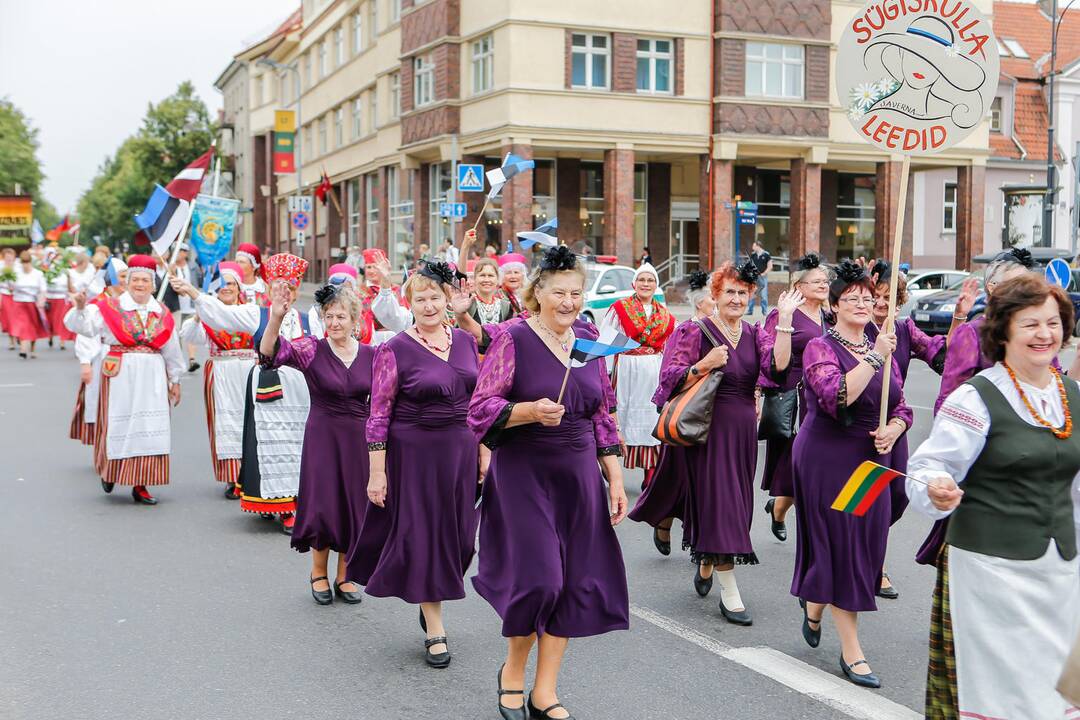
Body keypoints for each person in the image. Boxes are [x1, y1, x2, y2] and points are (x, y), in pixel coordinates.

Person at [907, 274, 1080, 718]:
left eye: (1053, 322)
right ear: (1003, 331)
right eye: (1031, 324)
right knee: (1009, 697)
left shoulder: (1073, 396)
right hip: (991, 576)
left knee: (1060, 696)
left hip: (1061, 573)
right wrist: (938, 489)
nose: (1045, 334)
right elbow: (928, 467)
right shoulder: (977, 397)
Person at [468, 245, 628, 720]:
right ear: (537, 293)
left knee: (574, 584)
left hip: (579, 476)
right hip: (524, 474)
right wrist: (528, 411)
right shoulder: (513, 338)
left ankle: (545, 690)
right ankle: (512, 671)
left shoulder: (588, 338)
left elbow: (603, 412)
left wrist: (614, 478)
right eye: (558, 292)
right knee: (539, 581)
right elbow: (478, 410)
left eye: (576, 293)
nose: (568, 302)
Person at [347, 259, 480, 668]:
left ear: (446, 299)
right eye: (419, 298)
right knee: (427, 536)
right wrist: (376, 472)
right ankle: (435, 625)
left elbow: (479, 402)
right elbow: (379, 414)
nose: (427, 305)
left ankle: (430, 593)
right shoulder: (393, 348)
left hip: (461, 452)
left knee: (460, 540)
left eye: (434, 297)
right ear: (410, 302)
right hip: (414, 455)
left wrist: (486, 452)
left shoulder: (465, 342)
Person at [792, 260, 911, 689]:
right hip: (828, 458)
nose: (863, 304)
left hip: (871, 459)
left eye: (868, 298)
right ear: (836, 305)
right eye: (853, 298)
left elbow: (901, 406)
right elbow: (835, 396)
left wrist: (893, 429)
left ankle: (816, 602)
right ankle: (852, 650)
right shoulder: (821, 348)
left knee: (866, 544)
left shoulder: (881, 343)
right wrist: (875, 360)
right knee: (844, 543)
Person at [645, 262, 767, 625]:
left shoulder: (753, 333)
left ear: (751, 297)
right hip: (707, 431)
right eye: (729, 291)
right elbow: (669, 379)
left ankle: (706, 561)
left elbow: (773, 374)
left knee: (739, 506)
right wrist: (705, 364)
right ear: (714, 295)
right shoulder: (694, 331)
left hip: (743, 432)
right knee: (722, 503)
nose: (736, 298)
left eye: (742, 293)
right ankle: (730, 591)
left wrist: (759, 391)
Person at [173, 253, 313, 534]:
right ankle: (284, 506)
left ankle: (298, 500)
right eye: (279, 286)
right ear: (269, 288)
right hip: (269, 389)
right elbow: (222, 314)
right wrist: (194, 293)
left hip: (302, 391)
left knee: (301, 447)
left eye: (291, 287)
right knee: (273, 444)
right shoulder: (256, 314)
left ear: (297, 291)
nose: (285, 292)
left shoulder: (311, 319)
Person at [260, 280, 375, 606]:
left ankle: (346, 574)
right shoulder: (312, 349)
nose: (334, 323)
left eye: (341, 317)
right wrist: (276, 318)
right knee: (325, 503)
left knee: (355, 503)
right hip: (323, 435)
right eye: (329, 317)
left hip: (358, 438)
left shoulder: (372, 354)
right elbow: (269, 355)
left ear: (355, 320)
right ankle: (318, 571)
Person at [64, 255, 184, 505]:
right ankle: (111, 471)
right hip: (120, 374)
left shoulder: (161, 312)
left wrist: (175, 379)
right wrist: (79, 307)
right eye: (135, 279)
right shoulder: (108, 308)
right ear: (127, 282)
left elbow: (172, 348)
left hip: (152, 375)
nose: (140, 284)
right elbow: (83, 328)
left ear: (153, 284)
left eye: (145, 280)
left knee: (148, 429)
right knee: (119, 424)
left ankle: (141, 484)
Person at [629, 269, 714, 556]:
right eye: (715, 298)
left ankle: (701, 543)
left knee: (707, 483)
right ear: (700, 303)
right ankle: (663, 520)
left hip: (717, 417)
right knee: (673, 477)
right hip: (686, 415)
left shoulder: (731, 328)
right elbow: (669, 374)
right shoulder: (687, 330)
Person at [758, 252, 830, 541]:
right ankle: (796, 516)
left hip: (821, 395)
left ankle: (779, 508)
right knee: (796, 462)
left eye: (826, 281)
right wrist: (758, 395)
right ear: (799, 286)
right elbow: (768, 357)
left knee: (808, 463)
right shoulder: (783, 314)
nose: (824, 285)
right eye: (817, 281)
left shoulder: (829, 315)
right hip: (792, 395)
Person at [178, 262, 255, 500]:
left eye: (231, 283)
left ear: (239, 287)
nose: (226, 288)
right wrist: (198, 317)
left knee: (252, 424)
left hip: (249, 371)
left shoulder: (250, 311)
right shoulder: (208, 314)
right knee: (225, 424)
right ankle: (232, 478)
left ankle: (252, 475)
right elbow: (189, 336)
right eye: (221, 284)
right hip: (221, 371)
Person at [600, 263, 674, 488]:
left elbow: (670, 345)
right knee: (619, 416)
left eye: (650, 280)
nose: (645, 284)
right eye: (641, 280)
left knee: (652, 417)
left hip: (653, 370)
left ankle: (649, 473)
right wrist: (603, 370)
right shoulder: (620, 308)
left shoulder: (665, 314)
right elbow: (606, 338)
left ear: (656, 285)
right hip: (627, 370)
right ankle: (609, 468)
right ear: (634, 283)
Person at [935, 247, 1034, 413]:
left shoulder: (1034, 331)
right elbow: (949, 402)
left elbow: (1057, 386)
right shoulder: (972, 334)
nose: (1024, 292)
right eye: (1016, 284)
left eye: (1028, 286)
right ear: (992, 287)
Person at [69, 258, 127, 448]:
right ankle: (103, 446)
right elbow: (85, 334)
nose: (128, 280)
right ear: (111, 279)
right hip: (103, 358)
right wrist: (85, 363)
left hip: (127, 359)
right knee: (101, 401)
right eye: (123, 276)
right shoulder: (99, 304)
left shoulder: (129, 302)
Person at [10, 250, 48, 359]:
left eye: (27, 262)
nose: (25, 265)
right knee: (23, 325)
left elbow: (43, 289)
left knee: (32, 326)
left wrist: (41, 300)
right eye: (23, 263)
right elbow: (11, 287)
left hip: (33, 303)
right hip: (19, 302)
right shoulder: (16, 274)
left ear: (30, 262)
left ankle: (32, 349)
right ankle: (23, 349)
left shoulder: (38, 274)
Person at [747, 241, 772, 316]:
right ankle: (750, 311)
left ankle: (764, 311)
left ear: (758, 246)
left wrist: (764, 273)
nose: (752, 247)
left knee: (763, 294)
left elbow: (770, 266)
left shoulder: (766, 255)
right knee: (752, 293)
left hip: (763, 278)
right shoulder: (753, 255)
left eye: (754, 246)